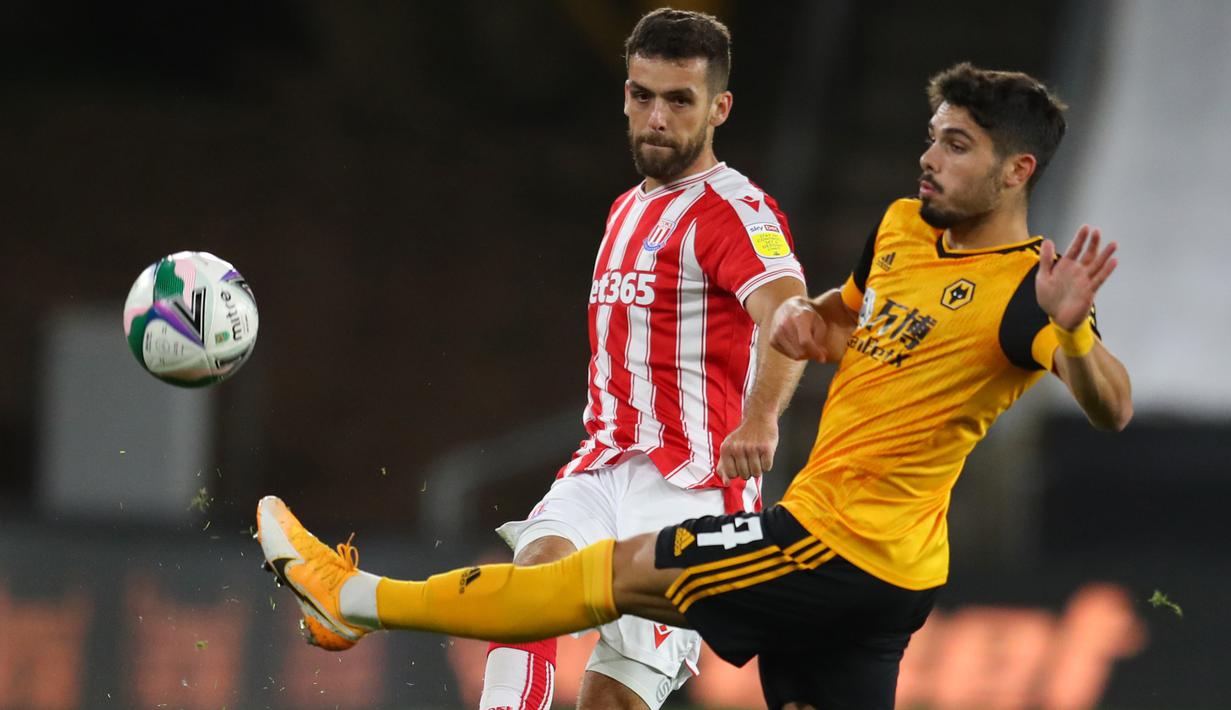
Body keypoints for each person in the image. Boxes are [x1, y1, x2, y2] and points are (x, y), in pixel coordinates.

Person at [257, 63, 1132, 710]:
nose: (927, 158)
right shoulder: (903, 229)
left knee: (615, 574)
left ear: (1016, 172)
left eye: (955, 144)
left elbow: (1112, 405)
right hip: (882, 583)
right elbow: (844, 319)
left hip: (834, 547)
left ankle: (351, 601)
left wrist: (1069, 331)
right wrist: (805, 325)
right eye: (931, 135)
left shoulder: (1030, 293)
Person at [320, 9, 807, 710]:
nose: (657, 117)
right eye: (642, 95)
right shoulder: (624, 209)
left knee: (610, 700)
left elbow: (787, 313)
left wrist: (760, 417)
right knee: (530, 586)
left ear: (719, 108)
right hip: (604, 464)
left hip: (689, 488)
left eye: (679, 100)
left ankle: (357, 601)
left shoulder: (734, 210)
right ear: (624, 95)